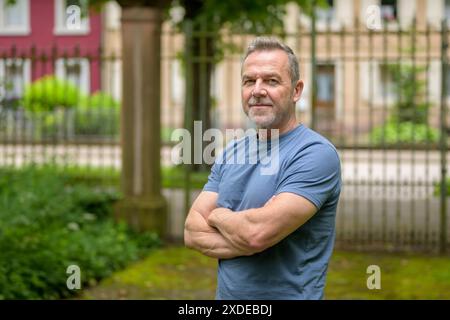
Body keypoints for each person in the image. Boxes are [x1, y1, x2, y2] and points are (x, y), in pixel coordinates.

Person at [184, 37, 341, 300]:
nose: (257, 90)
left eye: (271, 80)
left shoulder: (315, 154)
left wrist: (218, 216)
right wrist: (244, 235)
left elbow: (256, 234)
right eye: (249, 81)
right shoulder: (231, 152)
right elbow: (191, 231)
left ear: (296, 90)